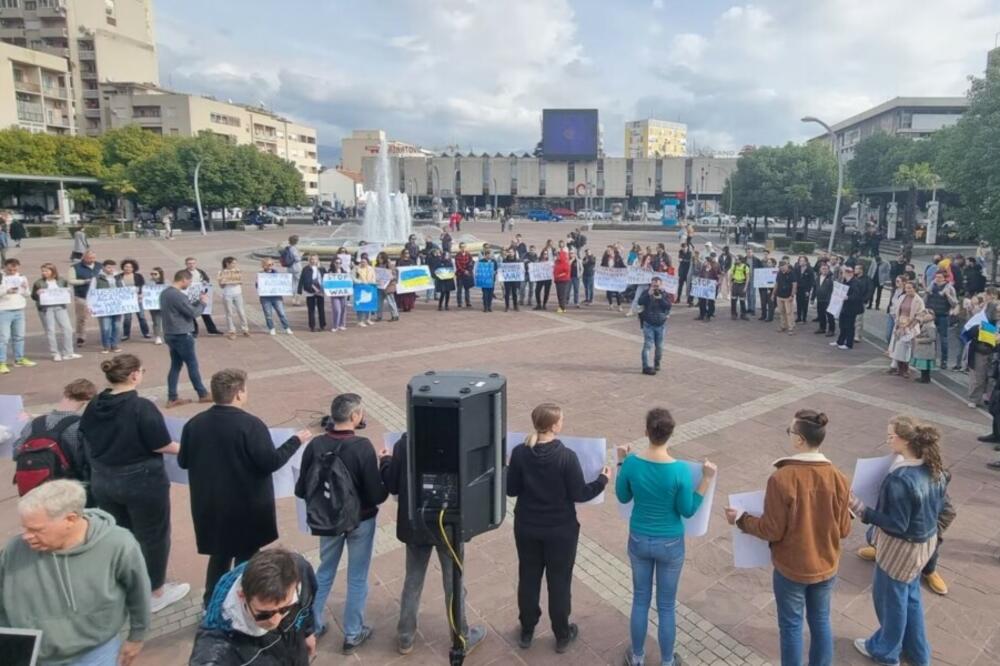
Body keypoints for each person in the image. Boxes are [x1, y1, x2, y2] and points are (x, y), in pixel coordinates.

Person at [725, 410, 850, 666]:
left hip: (791, 567)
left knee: (791, 627)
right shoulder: (838, 477)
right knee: (821, 622)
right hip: (826, 564)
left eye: (790, 432)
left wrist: (741, 519)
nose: (789, 436)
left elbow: (772, 530)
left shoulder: (782, 478)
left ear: (799, 440)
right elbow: (845, 529)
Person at [179, 368, 311, 606]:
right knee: (246, 559)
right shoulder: (250, 425)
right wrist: (296, 441)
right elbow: (269, 462)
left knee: (218, 557)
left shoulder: (194, 424)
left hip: (209, 505)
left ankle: (211, 604)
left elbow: (183, 461)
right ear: (238, 394)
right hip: (245, 507)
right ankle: (242, 604)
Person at [79, 353, 191, 613]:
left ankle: (125, 584)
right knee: (153, 536)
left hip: (104, 478)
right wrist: (190, 448)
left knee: (120, 533)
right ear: (134, 375)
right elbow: (162, 444)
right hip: (141, 481)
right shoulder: (140, 407)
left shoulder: (95, 402)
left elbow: (86, 433)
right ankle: (154, 592)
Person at [0, 480, 151, 666]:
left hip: (94, 654)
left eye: (36, 530)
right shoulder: (15, 549)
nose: (26, 536)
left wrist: (137, 636)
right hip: (34, 657)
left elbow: (139, 592)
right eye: (25, 528)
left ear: (70, 519)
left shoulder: (119, 545)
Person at [616, 408, 716, 666]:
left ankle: (637, 658)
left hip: (639, 538)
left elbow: (623, 496)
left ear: (646, 431)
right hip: (670, 542)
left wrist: (621, 461)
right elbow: (688, 510)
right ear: (671, 434)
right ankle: (668, 661)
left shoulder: (631, 464)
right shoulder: (680, 471)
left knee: (640, 599)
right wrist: (706, 480)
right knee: (666, 605)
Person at [508, 403, 609, 653]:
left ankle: (527, 630)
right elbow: (580, 493)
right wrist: (602, 480)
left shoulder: (520, 453)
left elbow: (510, 490)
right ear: (554, 425)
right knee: (559, 581)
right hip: (560, 530)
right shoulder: (566, 456)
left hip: (527, 526)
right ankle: (562, 634)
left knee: (528, 577)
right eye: (561, 420)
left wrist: (510, 467)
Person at [379, 433, 488, 655]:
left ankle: (405, 636)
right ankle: (461, 636)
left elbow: (393, 485)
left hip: (416, 525)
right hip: (449, 525)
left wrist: (385, 461)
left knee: (413, 580)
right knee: (454, 582)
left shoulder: (405, 442)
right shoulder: (458, 439)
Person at [294, 393, 388, 653]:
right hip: (361, 521)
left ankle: (312, 624)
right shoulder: (362, 447)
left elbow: (302, 488)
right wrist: (383, 467)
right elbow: (377, 494)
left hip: (327, 520)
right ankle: (353, 633)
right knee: (357, 576)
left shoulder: (315, 446)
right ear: (355, 416)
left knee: (324, 572)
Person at [850, 416, 946, 666]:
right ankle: (918, 652)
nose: (888, 440)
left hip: (900, 550)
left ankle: (885, 651)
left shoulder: (901, 478)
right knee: (911, 597)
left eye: (890, 436)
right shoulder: (935, 468)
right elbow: (941, 509)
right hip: (925, 543)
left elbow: (896, 524)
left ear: (903, 440)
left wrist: (860, 508)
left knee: (891, 602)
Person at [190, 548, 318, 666]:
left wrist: (307, 632)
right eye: (264, 614)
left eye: (285, 609)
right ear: (242, 595)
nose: (275, 621)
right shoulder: (219, 651)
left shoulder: (300, 569)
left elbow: (305, 605)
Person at [12, 378, 96, 487]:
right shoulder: (80, 425)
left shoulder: (34, 423)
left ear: (65, 393)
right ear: (87, 400)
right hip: (69, 487)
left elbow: (16, 453)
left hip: (35, 487)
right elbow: (86, 460)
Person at [161, 269, 211, 407]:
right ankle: (202, 393)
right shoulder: (178, 295)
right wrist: (203, 303)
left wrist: (196, 302)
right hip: (182, 334)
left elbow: (182, 310)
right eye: (189, 281)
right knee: (192, 364)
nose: (189, 284)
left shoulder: (165, 293)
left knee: (175, 365)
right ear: (183, 279)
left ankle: (172, 397)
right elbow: (193, 313)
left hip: (170, 333)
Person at [29, 262, 78, 362]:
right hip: (46, 309)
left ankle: (68, 352)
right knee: (50, 331)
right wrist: (37, 293)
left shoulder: (61, 280)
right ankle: (55, 353)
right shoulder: (38, 283)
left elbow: (66, 290)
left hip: (60, 307)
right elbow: (33, 296)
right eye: (42, 271)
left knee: (67, 329)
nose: (44, 273)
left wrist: (68, 292)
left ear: (53, 271)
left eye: (46, 271)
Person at [0, 257, 36, 374]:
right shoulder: (1, 277)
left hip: (19, 309)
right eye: (10, 270)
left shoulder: (21, 277)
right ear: (5, 267)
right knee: (4, 338)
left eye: (14, 270)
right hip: (4, 310)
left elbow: (27, 294)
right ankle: (2, 362)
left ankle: (19, 359)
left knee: (19, 336)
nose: (12, 272)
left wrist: (25, 288)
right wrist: (6, 291)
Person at [888, 281, 925, 378]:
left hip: (911, 325)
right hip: (900, 323)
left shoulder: (919, 300)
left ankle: (906, 368)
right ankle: (898, 367)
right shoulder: (902, 297)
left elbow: (920, 315)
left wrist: (910, 326)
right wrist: (898, 323)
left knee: (907, 347)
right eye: (906, 288)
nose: (907, 290)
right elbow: (897, 310)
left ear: (915, 289)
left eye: (910, 288)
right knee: (898, 346)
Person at [924, 270, 958, 370]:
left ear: (944, 278)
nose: (937, 279)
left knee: (943, 339)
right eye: (936, 277)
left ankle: (944, 360)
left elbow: (954, 303)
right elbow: (925, 299)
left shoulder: (950, 288)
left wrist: (947, 295)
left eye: (940, 277)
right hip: (931, 315)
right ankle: (931, 358)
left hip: (943, 315)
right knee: (931, 337)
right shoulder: (931, 286)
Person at [638, 276, 671, 376]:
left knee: (659, 347)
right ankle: (645, 366)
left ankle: (657, 363)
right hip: (648, 323)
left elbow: (668, 306)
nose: (655, 288)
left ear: (661, 285)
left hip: (661, 324)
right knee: (648, 345)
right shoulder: (646, 292)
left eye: (657, 286)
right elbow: (640, 302)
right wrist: (648, 294)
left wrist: (660, 298)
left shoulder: (664, 294)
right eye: (653, 285)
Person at [68, 249, 100, 346]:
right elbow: (71, 280)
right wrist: (84, 281)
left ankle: (104, 334)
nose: (92, 260)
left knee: (102, 316)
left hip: (97, 296)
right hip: (82, 296)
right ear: (84, 257)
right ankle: (80, 336)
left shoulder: (100, 266)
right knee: (82, 318)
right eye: (89, 258)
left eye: (93, 258)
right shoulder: (75, 268)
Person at [185, 257, 224, 336]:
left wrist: (205, 282)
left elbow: (206, 279)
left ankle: (212, 329)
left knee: (205, 312)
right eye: (189, 263)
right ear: (186, 264)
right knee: (191, 313)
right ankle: (194, 330)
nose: (191, 265)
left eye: (193, 263)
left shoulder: (200, 272)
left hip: (200, 294)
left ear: (196, 264)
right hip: (189, 296)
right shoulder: (183, 273)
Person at [257, 258, 293, 335]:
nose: (271, 266)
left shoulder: (277, 273)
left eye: (272, 264)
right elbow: (257, 286)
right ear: (264, 266)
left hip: (276, 296)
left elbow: (282, 283)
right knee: (268, 314)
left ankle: (286, 327)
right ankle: (271, 328)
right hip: (265, 297)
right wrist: (259, 282)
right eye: (269, 264)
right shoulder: (261, 275)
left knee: (281, 313)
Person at [218, 256, 250, 339]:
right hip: (227, 294)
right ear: (227, 264)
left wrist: (238, 280)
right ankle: (232, 331)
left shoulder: (238, 271)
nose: (235, 264)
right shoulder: (222, 272)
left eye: (235, 263)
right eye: (233, 263)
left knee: (241, 312)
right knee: (229, 313)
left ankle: (245, 329)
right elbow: (221, 286)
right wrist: (225, 281)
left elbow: (240, 281)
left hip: (238, 293)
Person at [834, 266, 865, 350]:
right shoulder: (846, 281)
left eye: (843, 272)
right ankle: (840, 341)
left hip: (852, 308)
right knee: (842, 324)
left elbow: (857, 295)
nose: (842, 274)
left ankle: (849, 344)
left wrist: (848, 297)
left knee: (849, 325)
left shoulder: (855, 282)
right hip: (845, 307)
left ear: (847, 273)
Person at [120, 258, 151, 342]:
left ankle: (146, 332)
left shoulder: (138, 276)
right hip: (126, 301)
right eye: (126, 266)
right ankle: (126, 334)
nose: (127, 268)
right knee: (127, 318)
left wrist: (141, 294)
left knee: (141, 316)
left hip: (137, 299)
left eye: (130, 267)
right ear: (123, 267)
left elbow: (142, 286)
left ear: (133, 268)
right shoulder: (119, 276)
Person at [299, 253, 328, 331]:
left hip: (320, 291)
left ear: (317, 260)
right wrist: (299, 290)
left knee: (321, 309)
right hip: (310, 291)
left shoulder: (322, 268)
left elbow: (327, 278)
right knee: (311, 310)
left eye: (314, 259)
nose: (313, 261)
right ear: (309, 260)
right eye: (311, 259)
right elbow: (301, 279)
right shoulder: (305, 269)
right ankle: (312, 326)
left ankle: (322, 325)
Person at [910, 310, 937, 384]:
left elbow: (932, 338)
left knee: (925, 366)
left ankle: (925, 378)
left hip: (927, 349)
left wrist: (920, 340)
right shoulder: (926, 324)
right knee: (924, 366)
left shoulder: (930, 326)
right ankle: (924, 377)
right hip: (924, 349)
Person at [374, 252, 400, 322]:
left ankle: (395, 315)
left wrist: (391, 277)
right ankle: (379, 316)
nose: (379, 259)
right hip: (380, 286)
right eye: (378, 257)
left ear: (384, 258)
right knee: (379, 303)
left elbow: (394, 274)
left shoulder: (389, 265)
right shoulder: (377, 265)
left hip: (388, 286)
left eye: (381, 258)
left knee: (391, 302)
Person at [773, 260, 797, 334]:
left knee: (789, 313)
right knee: (781, 312)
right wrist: (773, 294)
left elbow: (794, 285)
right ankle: (783, 326)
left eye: (784, 266)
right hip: (779, 296)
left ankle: (791, 328)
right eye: (781, 267)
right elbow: (776, 283)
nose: (782, 268)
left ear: (787, 266)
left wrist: (792, 295)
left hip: (788, 296)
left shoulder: (791, 273)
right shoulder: (779, 273)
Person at [813, 262, 836, 337]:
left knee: (829, 315)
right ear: (820, 270)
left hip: (828, 300)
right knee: (821, 314)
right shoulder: (818, 277)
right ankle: (822, 328)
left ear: (828, 270)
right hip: (820, 299)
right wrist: (813, 297)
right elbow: (815, 287)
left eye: (826, 269)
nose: (824, 270)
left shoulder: (831, 278)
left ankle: (831, 330)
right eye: (823, 269)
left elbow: (834, 289)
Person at [695, 257, 720, 322]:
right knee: (701, 301)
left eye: (705, 261)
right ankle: (702, 314)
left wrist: (716, 283)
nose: (704, 262)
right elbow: (700, 276)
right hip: (703, 287)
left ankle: (709, 315)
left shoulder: (713, 269)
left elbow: (716, 278)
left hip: (710, 288)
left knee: (710, 302)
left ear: (709, 262)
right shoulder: (703, 268)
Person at [394, 248, 418, 313]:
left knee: (410, 294)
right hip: (403, 280)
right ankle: (404, 306)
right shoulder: (400, 261)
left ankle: (409, 306)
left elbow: (415, 269)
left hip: (410, 280)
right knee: (403, 295)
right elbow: (397, 269)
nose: (407, 254)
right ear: (403, 254)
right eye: (405, 253)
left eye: (408, 253)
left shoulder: (412, 261)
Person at [602, 247, 626, 311]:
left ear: (612, 251)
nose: (607, 252)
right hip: (608, 278)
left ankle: (619, 306)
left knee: (617, 293)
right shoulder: (605, 258)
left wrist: (627, 269)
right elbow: (602, 266)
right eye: (607, 250)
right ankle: (611, 305)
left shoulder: (618, 257)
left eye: (608, 250)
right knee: (608, 293)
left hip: (616, 278)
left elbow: (622, 265)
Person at [792, 256, 814, 324]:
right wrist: (794, 289)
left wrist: (808, 290)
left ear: (806, 262)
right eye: (800, 261)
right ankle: (799, 317)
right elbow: (794, 279)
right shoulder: (796, 268)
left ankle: (804, 318)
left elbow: (811, 281)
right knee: (798, 303)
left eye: (803, 261)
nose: (801, 262)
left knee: (805, 304)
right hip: (798, 288)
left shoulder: (810, 270)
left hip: (805, 289)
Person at [147, 267, 166, 345]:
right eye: (152, 274)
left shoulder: (166, 283)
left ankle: (166, 335)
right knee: (156, 321)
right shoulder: (148, 283)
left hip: (165, 305)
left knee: (166, 321)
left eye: (155, 274)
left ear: (160, 274)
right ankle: (157, 336)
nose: (153, 275)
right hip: (154, 305)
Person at [729, 254, 750, 320]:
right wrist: (730, 286)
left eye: (737, 259)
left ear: (741, 260)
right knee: (733, 300)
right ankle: (734, 314)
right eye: (735, 259)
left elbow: (747, 278)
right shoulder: (734, 266)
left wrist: (745, 287)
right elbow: (730, 276)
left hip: (742, 284)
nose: (736, 260)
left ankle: (743, 314)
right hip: (735, 284)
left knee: (742, 300)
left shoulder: (745, 267)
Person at [454, 242, 474, 308]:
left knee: (467, 289)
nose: (463, 248)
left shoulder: (468, 254)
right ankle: (459, 302)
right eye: (462, 247)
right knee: (459, 289)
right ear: (460, 248)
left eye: (464, 247)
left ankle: (468, 302)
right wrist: (464, 271)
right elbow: (458, 265)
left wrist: (469, 270)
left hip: (467, 274)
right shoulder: (457, 255)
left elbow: (471, 262)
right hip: (460, 274)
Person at [478, 247, 498, 312]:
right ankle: (485, 307)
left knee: (490, 294)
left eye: (489, 254)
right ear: (485, 255)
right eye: (487, 254)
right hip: (484, 281)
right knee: (485, 294)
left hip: (491, 280)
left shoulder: (494, 261)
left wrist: (495, 272)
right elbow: (478, 270)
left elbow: (496, 269)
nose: (488, 255)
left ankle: (489, 306)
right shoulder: (481, 261)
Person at [286, 235, 304, 306]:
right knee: (300, 283)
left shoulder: (288, 248)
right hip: (296, 268)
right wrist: (301, 255)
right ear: (296, 241)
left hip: (290, 268)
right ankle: (297, 299)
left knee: (293, 283)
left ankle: (293, 299)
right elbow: (297, 259)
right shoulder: (294, 249)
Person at [501, 247, 521, 311]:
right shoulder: (505, 260)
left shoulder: (517, 260)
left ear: (514, 253)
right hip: (507, 279)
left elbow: (520, 269)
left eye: (511, 252)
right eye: (509, 252)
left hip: (515, 279)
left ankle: (515, 306)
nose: (510, 253)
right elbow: (502, 269)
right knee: (507, 293)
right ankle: (507, 306)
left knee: (514, 293)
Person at [553, 248, 571, 313]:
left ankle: (562, 307)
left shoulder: (565, 263)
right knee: (559, 294)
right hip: (557, 280)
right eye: (556, 255)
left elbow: (567, 272)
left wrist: (559, 275)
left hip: (563, 281)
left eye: (558, 255)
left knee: (562, 294)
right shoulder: (556, 262)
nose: (557, 256)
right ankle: (561, 306)